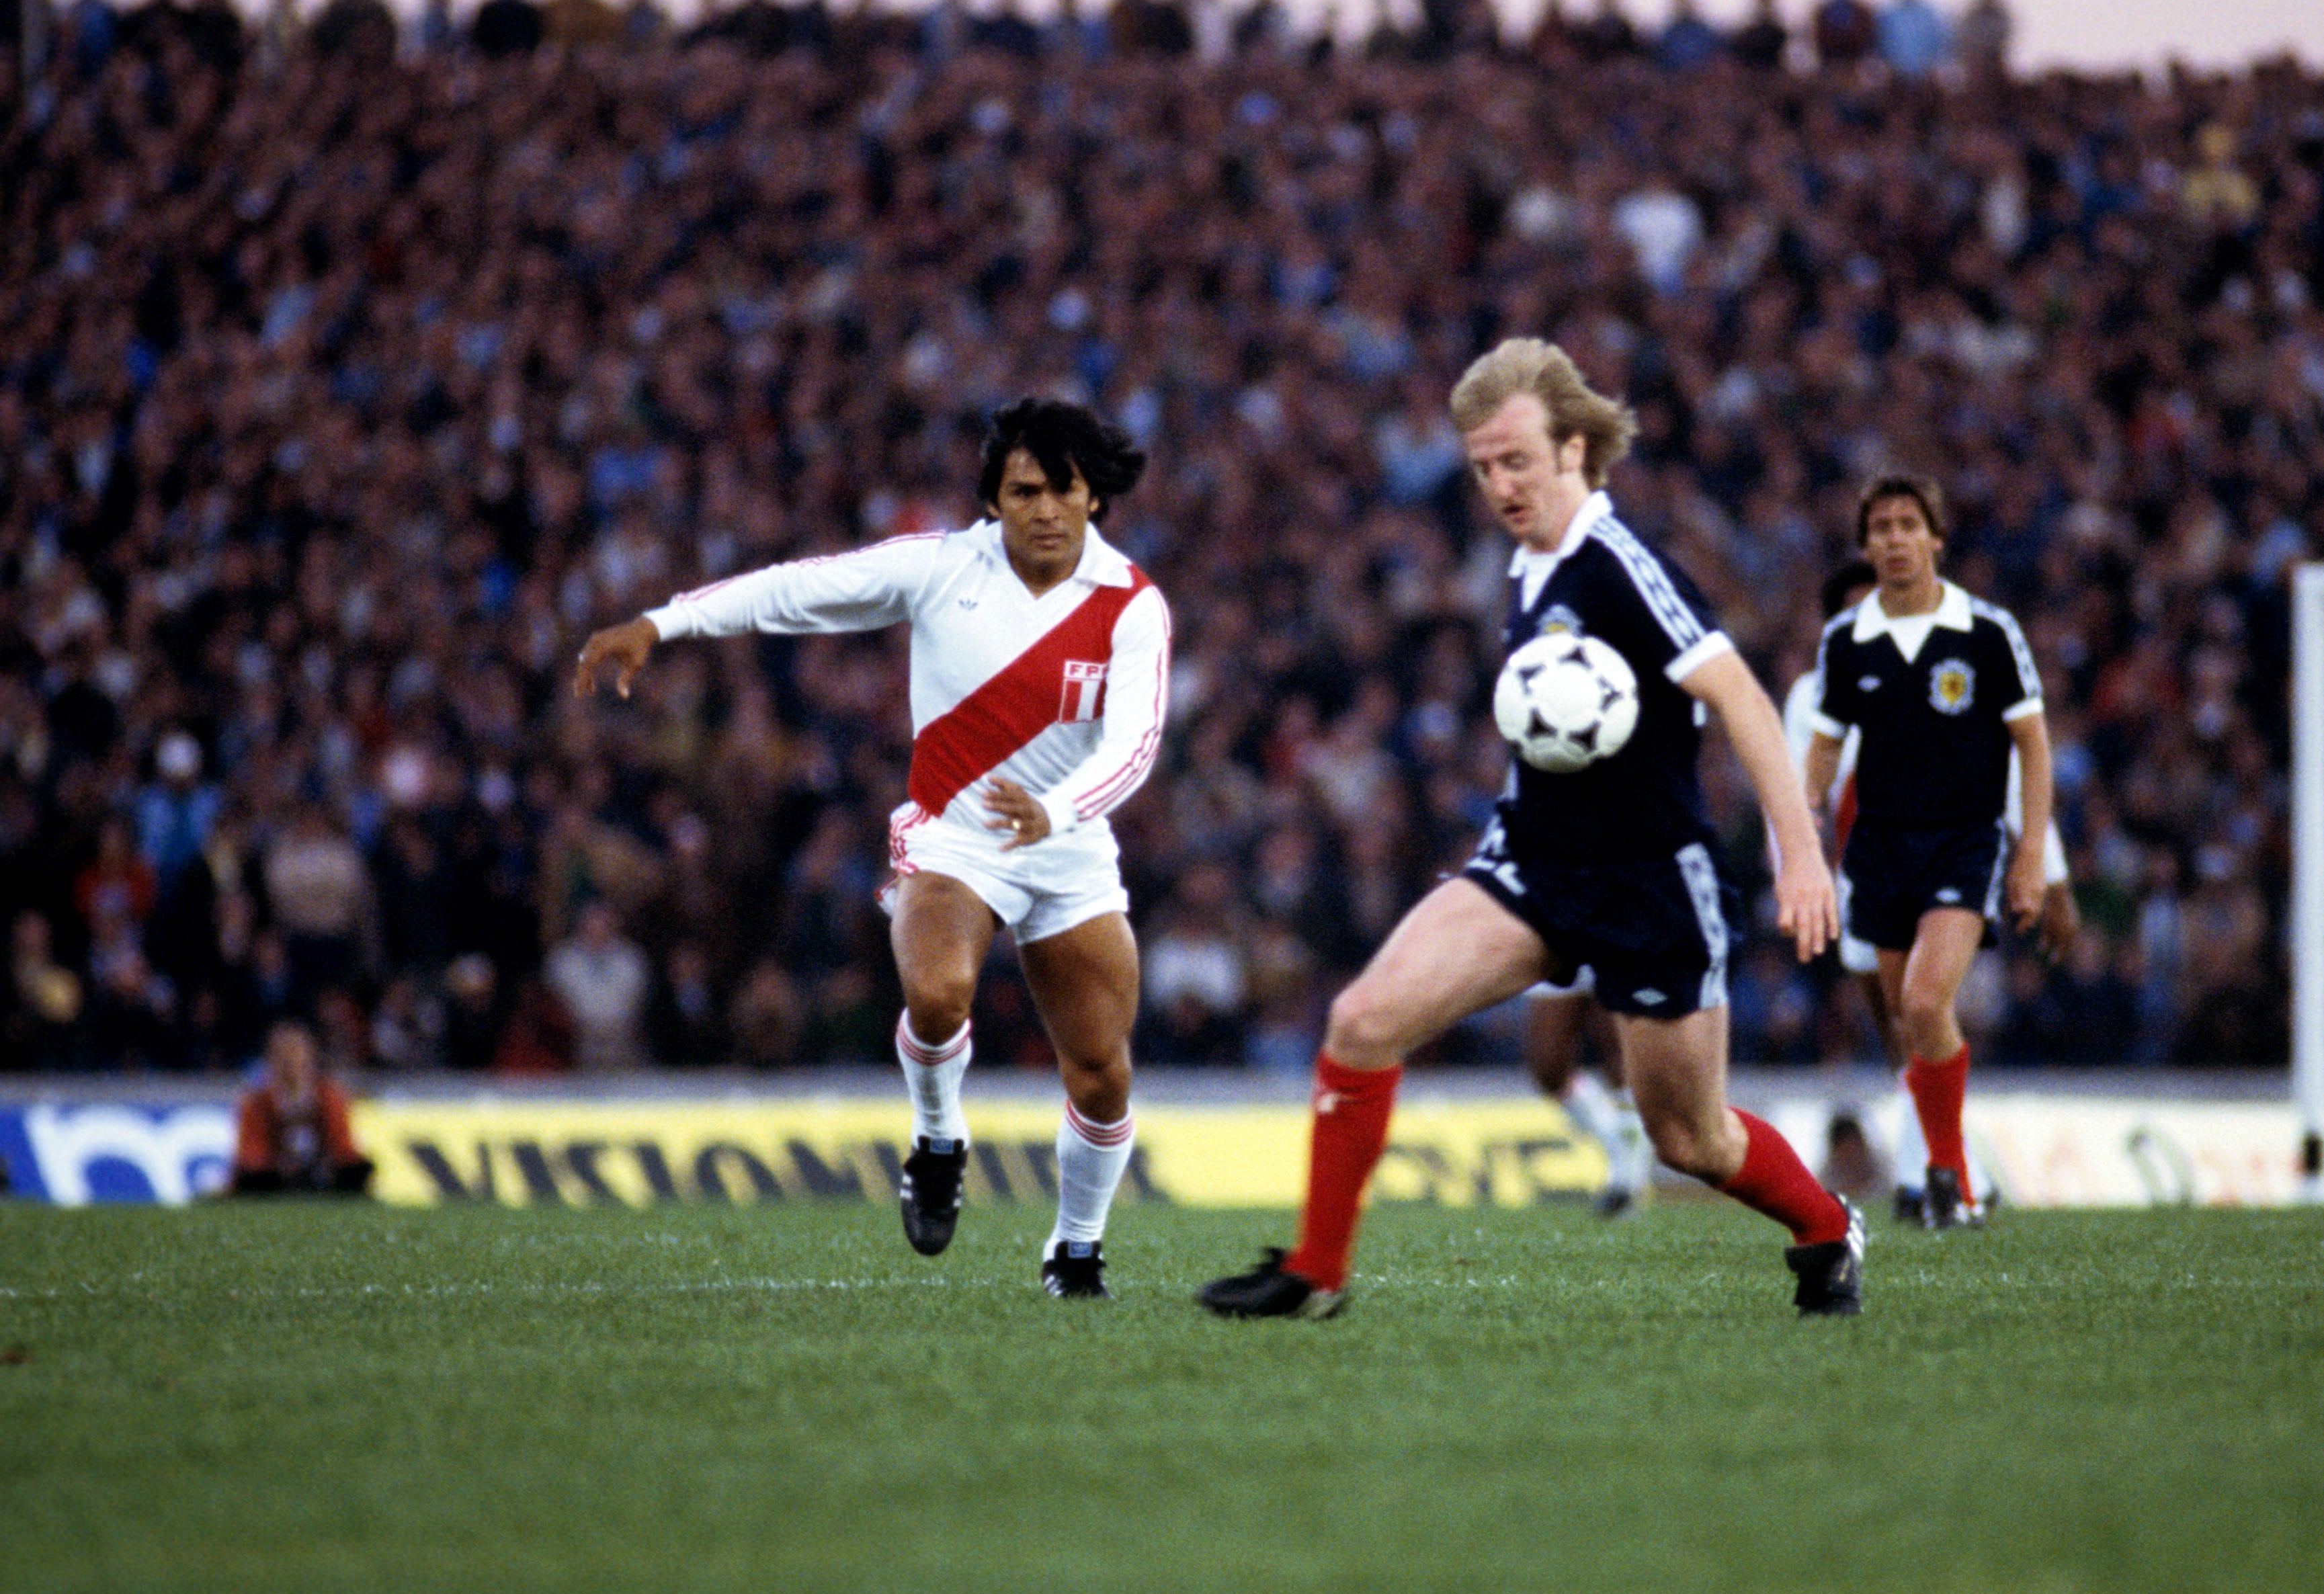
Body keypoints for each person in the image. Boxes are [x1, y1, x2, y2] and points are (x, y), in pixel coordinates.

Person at [1198, 339, 1864, 1320]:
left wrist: (1800, 850)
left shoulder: (1620, 565)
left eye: (1517, 459)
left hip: (1652, 884)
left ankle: (1826, 1227)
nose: (1499, 483)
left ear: (1576, 447)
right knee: (1361, 1021)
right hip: (1535, 863)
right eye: (1481, 467)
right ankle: (1316, 1270)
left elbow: (1741, 697)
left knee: (1689, 1138)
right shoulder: (1525, 565)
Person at [574, 400, 1170, 1300]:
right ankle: (938, 1140)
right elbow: (793, 589)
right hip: (953, 835)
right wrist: (662, 623)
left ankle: (1075, 1250)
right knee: (935, 994)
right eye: (1026, 490)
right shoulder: (940, 567)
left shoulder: (1132, 604)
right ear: (995, 499)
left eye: (1065, 489)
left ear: (1096, 499)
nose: (1046, 508)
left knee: (1100, 1067)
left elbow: (1136, 742)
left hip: (1070, 844)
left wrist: (1057, 810)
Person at [1792, 559, 2077, 1222]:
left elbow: (2008, 769)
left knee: (1924, 1008)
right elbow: (1795, 784)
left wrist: (2049, 871)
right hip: (1862, 870)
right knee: (1900, 1027)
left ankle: (1940, 1178)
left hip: (1947, 853)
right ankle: (1950, 1169)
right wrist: (1798, 871)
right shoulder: (1814, 691)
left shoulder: (1953, 664)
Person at [1522, 972, 1652, 1216]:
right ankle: (1618, 1146)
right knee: (1548, 1067)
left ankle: (1628, 1178)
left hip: (1612, 940)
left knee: (1620, 1053)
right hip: (1559, 942)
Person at [228, 1021, 372, 1196]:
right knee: (253, 1180)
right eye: (282, 1052)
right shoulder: (257, 1101)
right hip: (274, 1173)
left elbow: (343, 1146)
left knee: (358, 1171)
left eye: (295, 1050)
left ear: (310, 1055)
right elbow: (251, 1153)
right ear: (271, 1057)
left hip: (322, 1169)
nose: (289, 1059)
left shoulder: (329, 1095)